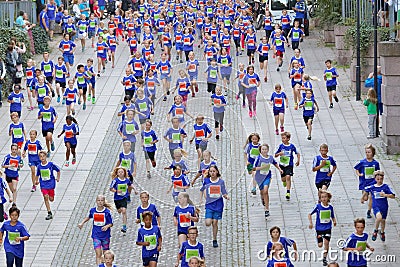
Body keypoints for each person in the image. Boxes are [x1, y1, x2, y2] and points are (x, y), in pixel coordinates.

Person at [78, 195, 113, 266]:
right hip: (96, 235)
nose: (100, 202)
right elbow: (88, 217)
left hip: (105, 236)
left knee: (105, 253)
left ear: (104, 202)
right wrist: (82, 223)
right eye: (98, 200)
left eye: (102, 200)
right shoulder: (93, 210)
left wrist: (107, 226)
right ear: (96, 201)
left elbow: (111, 223)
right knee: (98, 253)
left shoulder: (107, 212)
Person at [200, 165, 229, 248]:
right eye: (211, 171)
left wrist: (226, 196)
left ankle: (214, 239)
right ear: (209, 172)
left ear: (217, 172)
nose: (212, 173)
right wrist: (201, 198)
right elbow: (202, 189)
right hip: (209, 205)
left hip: (218, 205)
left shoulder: (221, 182)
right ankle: (211, 220)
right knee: (208, 223)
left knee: (215, 222)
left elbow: (224, 192)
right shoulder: (206, 181)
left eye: (214, 171)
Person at [362, 170, 395, 242]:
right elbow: (365, 190)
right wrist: (363, 198)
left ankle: (382, 232)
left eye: (381, 179)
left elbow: (393, 196)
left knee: (383, 220)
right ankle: (375, 231)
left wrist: (385, 195)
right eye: (378, 179)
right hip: (376, 206)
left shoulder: (386, 187)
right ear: (375, 179)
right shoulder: (372, 187)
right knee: (379, 217)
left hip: (384, 206)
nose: (379, 181)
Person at [253, 144, 283, 218]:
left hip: (267, 176)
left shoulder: (270, 158)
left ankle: (267, 209)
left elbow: (275, 163)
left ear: (268, 150)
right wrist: (262, 167)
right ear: (260, 150)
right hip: (259, 177)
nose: (264, 151)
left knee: (266, 191)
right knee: (262, 192)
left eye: (265, 149)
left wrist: (279, 169)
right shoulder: (258, 158)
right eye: (263, 149)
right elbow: (254, 168)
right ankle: (262, 198)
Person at [308, 190, 337, 266]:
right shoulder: (318, 207)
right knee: (320, 245)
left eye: (325, 197)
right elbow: (310, 214)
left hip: (328, 228)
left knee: (326, 243)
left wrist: (334, 221)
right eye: (322, 197)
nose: (324, 199)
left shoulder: (330, 207)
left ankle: (324, 258)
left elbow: (332, 216)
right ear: (320, 199)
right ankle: (318, 238)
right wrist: (311, 223)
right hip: (319, 229)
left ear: (328, 198)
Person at [354, 144, 380, 219]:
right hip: (364, 182)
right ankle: (363, 198)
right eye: (366, 152)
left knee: (371, 197)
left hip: (372, 182)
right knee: (366, 198)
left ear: (373, 153)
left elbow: (378, 172)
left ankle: (369, 211)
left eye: (369, 152)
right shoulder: (362, 162)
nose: (367, 154)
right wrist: (359, 174)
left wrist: (378, 179)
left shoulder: (375, 163)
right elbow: (356, 168)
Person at [110, 166, 137, 233]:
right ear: (117, 173)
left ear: (124, 173)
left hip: (124, 197)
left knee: (124, 211)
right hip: (117, 199)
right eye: (119, 172)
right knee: (119, 211)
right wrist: (116, 191)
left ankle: (124, 226)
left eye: (122, 172)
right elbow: (111, 188)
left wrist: (135, 190)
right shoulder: (115, 180)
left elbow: (130, 185)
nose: (121, 173)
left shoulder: (126, 180)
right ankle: (119, 209)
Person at [35, 150, 61, 220]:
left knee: (51, 199)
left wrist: (58, 178)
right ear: (39, 158)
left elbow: (58, 170)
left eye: (43, 156)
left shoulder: (50, 164)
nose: (42, 158)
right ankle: (49, 213)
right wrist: (36, 181)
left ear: (46, 156)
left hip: (51, 184)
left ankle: (51, 195)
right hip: (43, 185)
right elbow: (37, 174)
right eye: (41, 157)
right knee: (45, 197)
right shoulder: (39, 166)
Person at [274, 132, 300, 200]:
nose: (283, 139)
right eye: (282, 138)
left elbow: (297, 153)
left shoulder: (292, 146)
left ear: (288, 139)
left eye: (284, 138)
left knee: (288, 177)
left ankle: (288, 192)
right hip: (282, 164)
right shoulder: (281, 146)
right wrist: (280, 153)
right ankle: (284, 182)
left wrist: (298, 160)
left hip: (289, 164)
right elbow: (275, 155)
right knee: (283, 179)